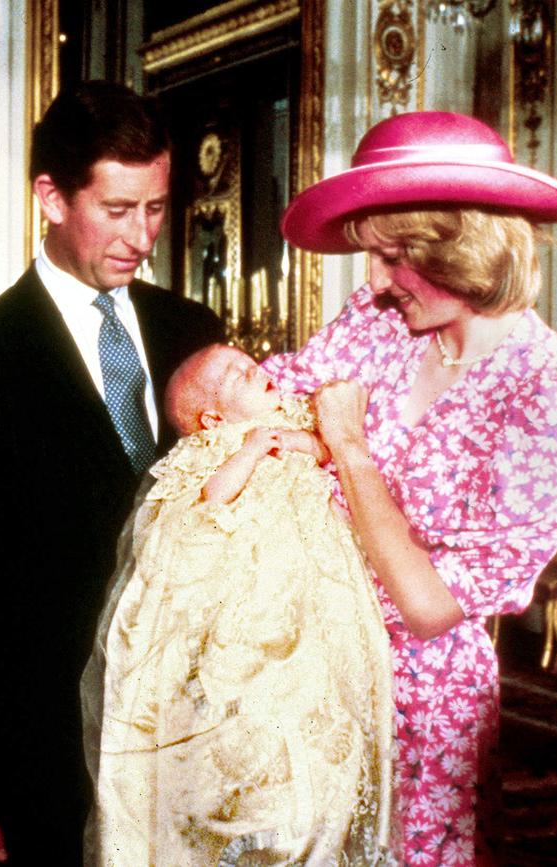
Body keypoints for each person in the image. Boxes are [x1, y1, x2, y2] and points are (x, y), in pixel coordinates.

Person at [0, 80, 223, 866]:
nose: (142, 234)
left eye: (155, 208)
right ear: (51, 197)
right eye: (118, 210)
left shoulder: (194, 330)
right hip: (43, 744)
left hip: (199, 733)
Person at [262, 110, 557, 866]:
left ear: (467, 247)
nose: (375, 280)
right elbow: (271, 401)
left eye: (396, 254)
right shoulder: (379, 319)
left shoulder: (545, 391)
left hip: (425, 710)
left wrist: (348, 451)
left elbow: (430, 606)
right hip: (308, 668)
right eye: (373, 254)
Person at [81, 343, 395, 866]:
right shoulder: (211, 449)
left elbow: (325, 451)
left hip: (310, 574)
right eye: (236, 374)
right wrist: (248, 450)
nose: (255, 370)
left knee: (322, 685)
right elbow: (209, 501)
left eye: (249, 362)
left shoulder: (290, 414)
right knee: (249, 688)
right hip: (248, 583)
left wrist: (295, 441)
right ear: (212, 418)